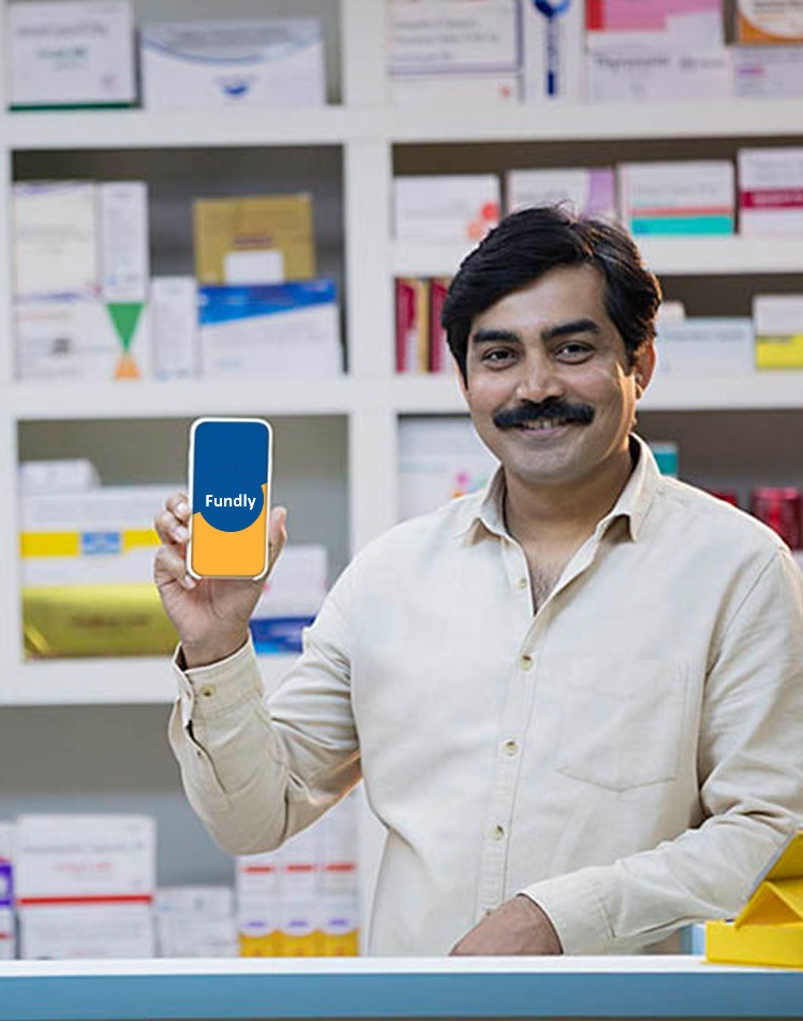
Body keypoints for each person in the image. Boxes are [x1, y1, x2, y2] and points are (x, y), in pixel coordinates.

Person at [152, 206, 803, 956]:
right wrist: (216, 644)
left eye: (572, 348)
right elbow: (254, 819)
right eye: (499, 356)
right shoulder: (388, 578)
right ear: (464, 378)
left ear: (641, 364)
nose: (534, 386)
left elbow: (765, 828)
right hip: (416, 1014)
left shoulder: (739, 570)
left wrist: (560, 918)